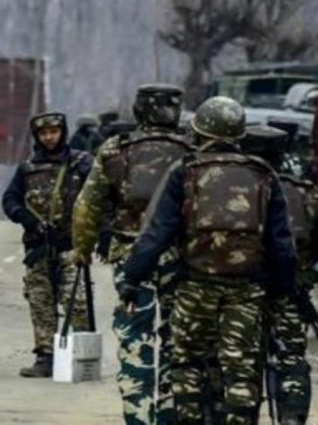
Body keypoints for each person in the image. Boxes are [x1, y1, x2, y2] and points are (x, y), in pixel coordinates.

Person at [119, 96, 296, 424]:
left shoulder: (185, 171)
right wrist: (283, 288)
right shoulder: (262, 174)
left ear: (200, 131)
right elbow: (281, 242)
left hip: (195, 287)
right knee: (241, 368)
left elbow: (157, 232)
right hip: (247, 291)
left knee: (188, 365)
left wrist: (132, 277)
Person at [71, 84, 192, 424]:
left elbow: (87, 207)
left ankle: (138, 417)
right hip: (182, 257)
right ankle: (169, 415)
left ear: (139, 110)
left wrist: (82, 249)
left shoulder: (116, 149)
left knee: (136, 339)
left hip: (130, 256)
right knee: (177, 339)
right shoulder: (193, 149)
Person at [2, 112, 93, 378]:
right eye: (43, 133)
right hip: (38, 246)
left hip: (72, 246)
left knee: (77, 301)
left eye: (53, 132)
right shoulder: (27, 168)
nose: (49, 137)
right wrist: (28, 220)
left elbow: (99, 197)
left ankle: (84, 354)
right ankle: (46, 357)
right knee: (41, 301)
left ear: (62, 132)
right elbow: (10, 200)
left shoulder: (81, 163)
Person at [240, 125, 316, 424]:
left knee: (241, 359)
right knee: (291, 358)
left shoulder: (234, 188)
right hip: (293, 292)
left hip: (243, 290)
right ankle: (292, 417)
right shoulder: (304, 193)